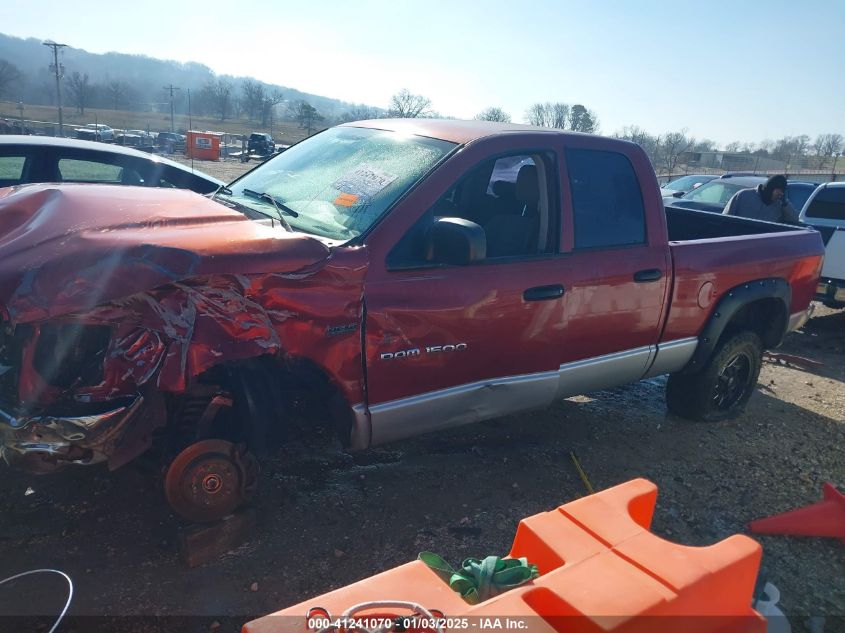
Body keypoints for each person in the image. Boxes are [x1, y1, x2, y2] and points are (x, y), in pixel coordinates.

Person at [722, 175, 798, 223]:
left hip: (762, 242)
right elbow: (724, 218)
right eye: (779, 191)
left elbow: (794, 220)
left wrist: (785, 204)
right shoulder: (743, 196)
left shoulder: (779, 205)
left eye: (782, 192)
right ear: (770, 188)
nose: (780, 195)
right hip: (738, 238)